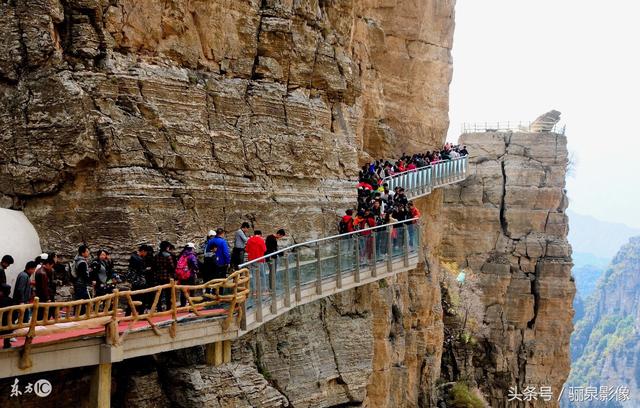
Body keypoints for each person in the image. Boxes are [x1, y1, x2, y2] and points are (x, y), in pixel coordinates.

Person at [126, 245, 149, 315]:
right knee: (142, 297)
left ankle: (128, 313)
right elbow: (141, 270)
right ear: (143, 251)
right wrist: (147, 270)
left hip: (134, 280)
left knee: (133, 296)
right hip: (139, 280)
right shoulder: (139, 259)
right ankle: (141, 312)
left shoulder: (133, 257)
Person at [154, 241, 176, 311]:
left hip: (159, 276)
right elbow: (172, 266)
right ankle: (168, 307)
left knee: (159, 293)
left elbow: (155, 266)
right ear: (167, 247)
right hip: (167, 276)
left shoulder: (157, 255)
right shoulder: (168, 256)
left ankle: (159, 308)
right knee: (168, 293)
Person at [245, 230, 267, 295]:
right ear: (260, 234)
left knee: (253, 275)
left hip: (251, 260)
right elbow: (265, 249)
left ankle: (254, 291)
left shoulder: (249, 240)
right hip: (259, 259)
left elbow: (247, 250)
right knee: (262, 275)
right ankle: (264, 290)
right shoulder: (261, 240)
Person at [73, 245, 92, 315]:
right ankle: (79, 317)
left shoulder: (77, 260)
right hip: (81, 284)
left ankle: (78, 316)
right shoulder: (82, 262)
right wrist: (89, 280)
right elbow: (84, 275)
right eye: (87, 251)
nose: (88, 252)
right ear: (82, 253)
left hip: (77, 284)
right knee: (81, 302)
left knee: (79, 302)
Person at [0, 284, 14, 348]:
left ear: (1, 292)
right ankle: (7, 343)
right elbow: (15, 314)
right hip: (9, 328)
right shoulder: (11, 301)